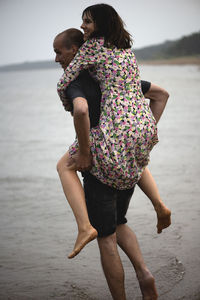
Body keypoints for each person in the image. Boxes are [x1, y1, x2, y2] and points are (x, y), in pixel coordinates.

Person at [54, 26, 170, 299]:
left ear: (75, 50)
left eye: (59, 52)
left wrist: (84, 152)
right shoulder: (111, 75)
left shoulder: (77, 82)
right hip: (127, 163)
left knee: (105, 238)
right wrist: (141, 133)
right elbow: (161, 94)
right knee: (118, 223)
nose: (56, 58)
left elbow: (81, 109)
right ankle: (145, 274)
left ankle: (84, 227)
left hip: (100, 168)